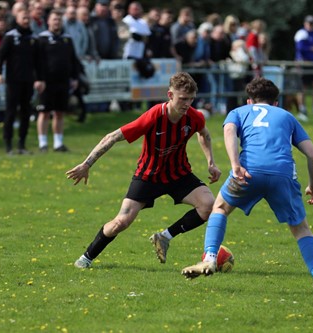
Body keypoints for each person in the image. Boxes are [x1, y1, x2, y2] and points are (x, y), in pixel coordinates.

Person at [181, 77, 313, 297]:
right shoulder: (287, 116)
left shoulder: (239, 112)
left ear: (249, 101)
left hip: (248, 172)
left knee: (220, 208)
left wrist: (235, 166)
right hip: (283, 175)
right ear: (276, 103)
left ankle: (210, 258)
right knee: (301, 229)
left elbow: (229, 132)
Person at [68, 72, 222, 269]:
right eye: (183, 99)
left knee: (208, 205)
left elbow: (204, 134)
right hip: (149, 176)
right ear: (170, 95)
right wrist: (86, 164)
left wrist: (211, 162)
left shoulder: (194, 117)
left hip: (179, 174)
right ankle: (86, 257)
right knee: (122, 222)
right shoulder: (153, 116)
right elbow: (112, 137)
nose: (187, 104)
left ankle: (164, 237)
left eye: (191, 99)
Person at [0, 9, 40, 155]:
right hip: (13, 81)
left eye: (28, 18)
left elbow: (38, 62)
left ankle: (22, 144)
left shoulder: (33, 38)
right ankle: (8, 145)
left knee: (26, 113)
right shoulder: (10, 37)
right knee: (10, 113)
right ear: (17, 19)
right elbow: (0, 57)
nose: (26, 20)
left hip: (28, 81)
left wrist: (39, 78)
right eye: (23, 18)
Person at [35, 9, 78, 152]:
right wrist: (39, 79)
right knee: (44, 112)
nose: (56, 22)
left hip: (63, 81)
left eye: (59, 20)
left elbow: (73, 60)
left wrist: (74, 77)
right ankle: (43, 143)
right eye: (54, 19)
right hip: (46, 82)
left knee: (60, 112)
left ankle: (58, 143)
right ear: (48, 21)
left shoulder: (67, 39)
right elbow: (37, 61)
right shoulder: (41, 39)